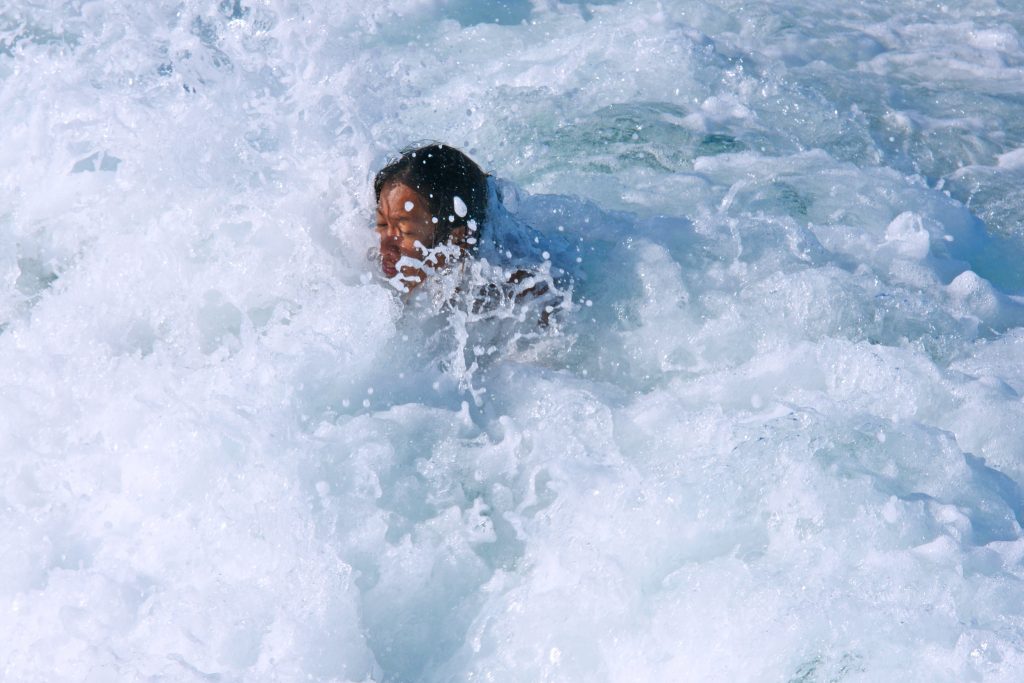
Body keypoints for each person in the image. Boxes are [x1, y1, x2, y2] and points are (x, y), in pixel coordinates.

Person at [373, 143, 489, 292]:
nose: (382, 249)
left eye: (404, 231)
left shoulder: (503, 301)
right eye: (383, 224)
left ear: (457, 238)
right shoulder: (358, 266)